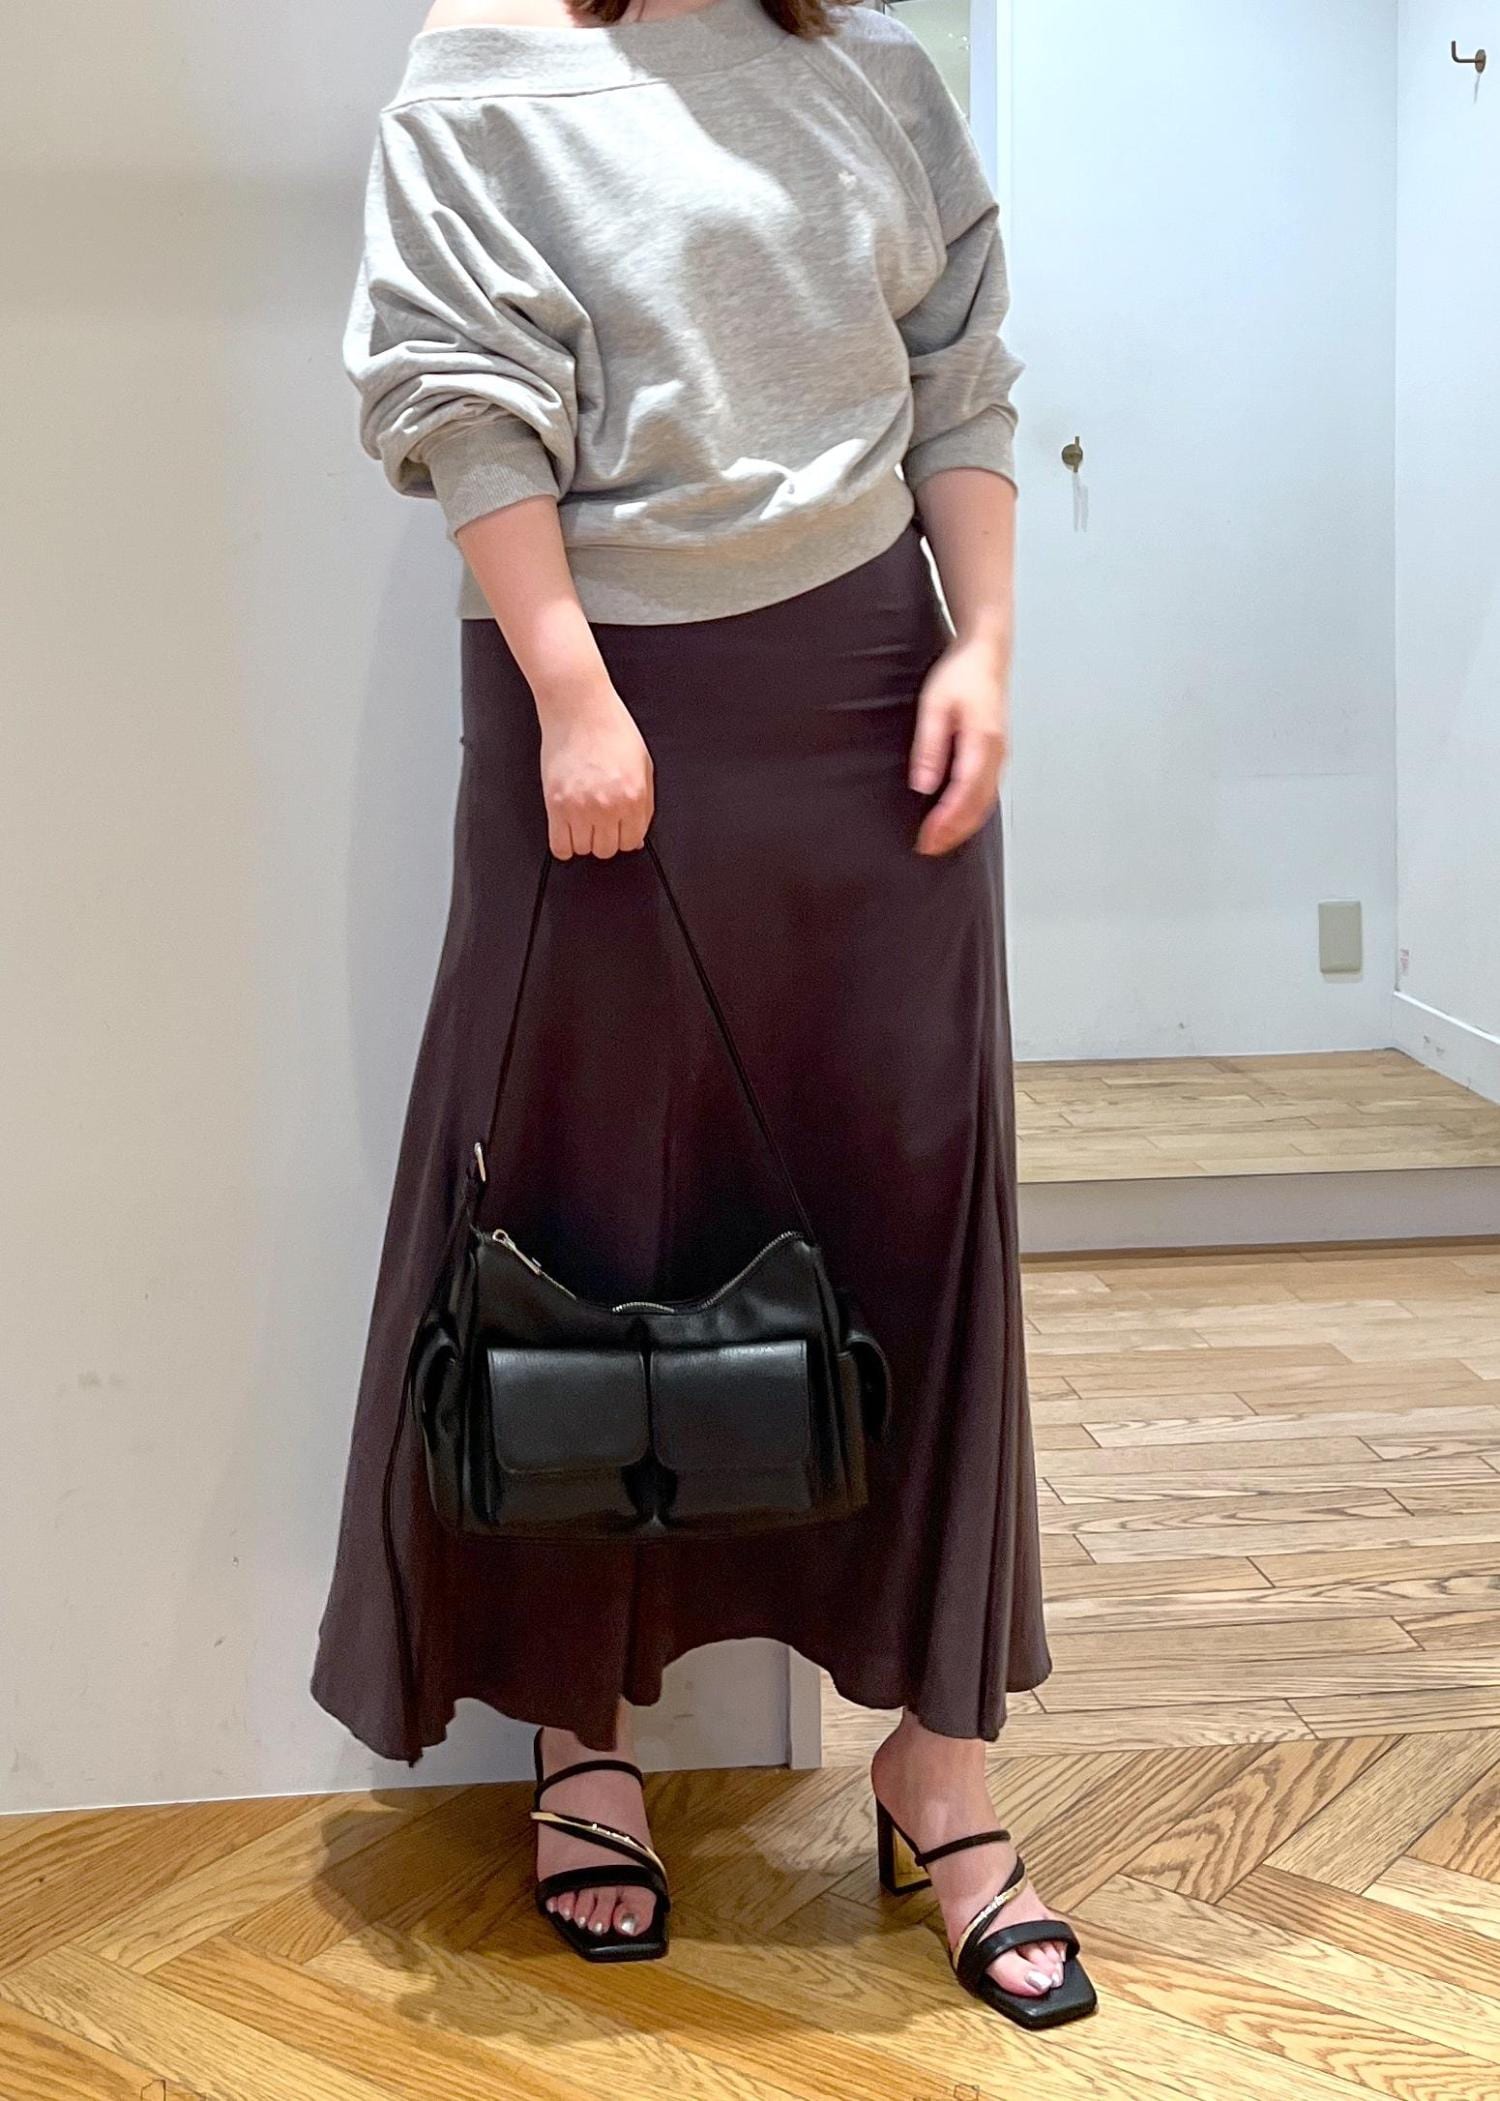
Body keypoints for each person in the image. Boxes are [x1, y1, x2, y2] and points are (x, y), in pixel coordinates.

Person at [313, 0, 1096, 2031]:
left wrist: (987, 645)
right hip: (598, 698)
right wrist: (574, 691)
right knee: (582, 1210)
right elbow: (460, 393)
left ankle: (942, 1767)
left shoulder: (876, 66)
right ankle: (584, 1736)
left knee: (914, 1204)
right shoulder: (483, 63)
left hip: (871, 690)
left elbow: (958, 365)